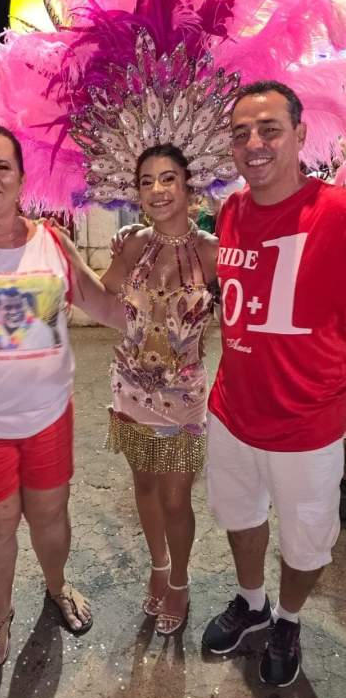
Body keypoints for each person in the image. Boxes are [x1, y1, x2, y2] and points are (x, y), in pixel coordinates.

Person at [0, 122, 125, 666]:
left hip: (47, 417)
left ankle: (57, 585)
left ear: (21, 177)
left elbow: (106, 307)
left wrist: (150, 258)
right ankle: (0, 612)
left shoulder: (52, 243)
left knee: (50, 516)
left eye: (1, 166)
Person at [202, 80, 346, 687]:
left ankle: (287, 619)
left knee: (307, 541)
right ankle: (253, 602)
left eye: (269, 130)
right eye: (241, 134)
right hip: (232, 411)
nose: (254, 144)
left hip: (307, 424)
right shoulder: (232, 211)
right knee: (239, 516)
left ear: (300, 134)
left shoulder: (335, 213)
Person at [101, 142, 217, 635]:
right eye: (146, 181)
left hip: (182, 399)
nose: (157, 190)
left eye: (168, 178)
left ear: (189, 186)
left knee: (175, 499)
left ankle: (181, 580)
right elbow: (101, 294)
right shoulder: (130, 244)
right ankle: (158, 566)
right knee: (144, 486)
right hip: (129, 390)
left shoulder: (213, 252)